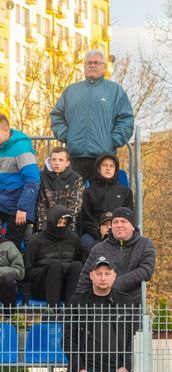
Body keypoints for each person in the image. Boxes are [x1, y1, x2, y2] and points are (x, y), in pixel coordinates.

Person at [50, 49, 134, 182]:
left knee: (102, 194)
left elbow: (126, 119)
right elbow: (57, 116)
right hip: (75, 156)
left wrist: (113, 141)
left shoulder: (115, 90)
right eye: (89, 63)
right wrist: (67, 136)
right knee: (71, 194)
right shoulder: (71, 91)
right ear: (84, 67)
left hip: (103, 157)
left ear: (104, 67)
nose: (92, 65)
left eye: (96, 63)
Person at [64, 257, 138, 372]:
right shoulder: (78, 301)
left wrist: (126, 366)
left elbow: (133, 337)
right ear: (91, 275)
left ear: (114, 275)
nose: (103, 278)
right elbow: (68, 338)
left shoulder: (125, 302)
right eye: (98, 273)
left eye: (107, 273)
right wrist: (80, 368)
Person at [0, 114, 40, 250]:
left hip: (18, 204)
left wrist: (23, 208)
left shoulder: (22, 149)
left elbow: (33, 180)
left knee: (11, 244)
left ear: (6, 131)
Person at [77, 207, 155, 303]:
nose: (119, 225)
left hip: (131, 303)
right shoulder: (98, 248)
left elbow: (146, 270)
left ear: (133, 226)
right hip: (101, 304)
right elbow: (85, 277)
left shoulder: (145, 244)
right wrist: (79, 301)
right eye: (115, 222)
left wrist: (114, 285)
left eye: (123, 221)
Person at [24, 205, 84, 306]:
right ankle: (53, 309)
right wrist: (49, 270)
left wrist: (64, 269)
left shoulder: (74, 239)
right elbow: (27, 273)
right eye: (59, 222)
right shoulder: (36, 241)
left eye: (65, 223)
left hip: (66, 288)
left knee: (77, 265)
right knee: (55, 265)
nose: (62, 225)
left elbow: (81, 263)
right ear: (52, 221)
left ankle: (71, 309)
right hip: (42, 288)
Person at [80, 153, 133, 253]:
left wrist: (115, 229)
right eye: (104, 165)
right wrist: (99, 230)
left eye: (111, 166)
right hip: (95, 232)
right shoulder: (89, 192)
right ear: (98, 169)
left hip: (119, 230)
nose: (108, 168)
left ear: (115, 170)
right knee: (85, 243)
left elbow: (129, 217)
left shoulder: (125, 192)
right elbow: (86, 218)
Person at [37, 146, 83, 232]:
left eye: (61, 160)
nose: (57, 163)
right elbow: (41, 206)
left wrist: (67, 227)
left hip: (67, 225)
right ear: (49, 161)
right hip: (47, 226)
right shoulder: (41, 177)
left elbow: (74, 207)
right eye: (54, 160)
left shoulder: (75, 178)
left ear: (67, 163)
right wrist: (44, 229)